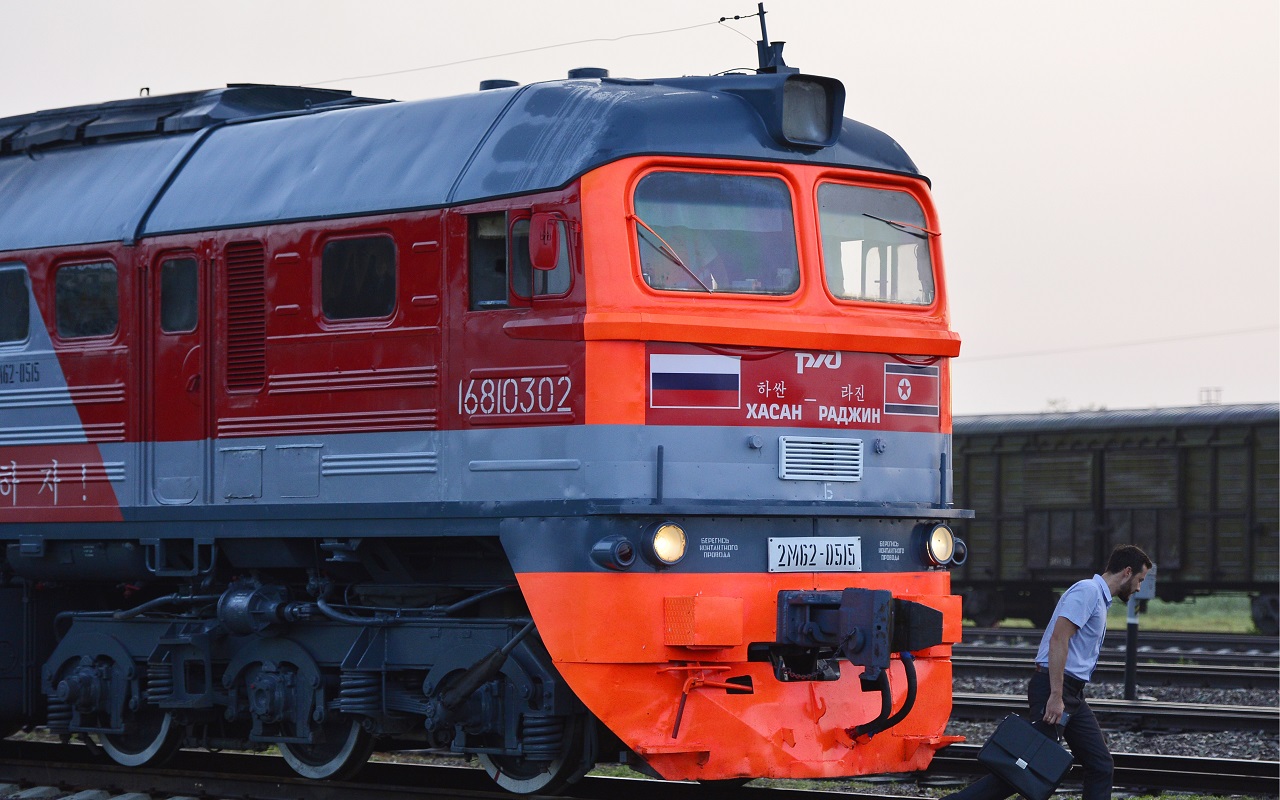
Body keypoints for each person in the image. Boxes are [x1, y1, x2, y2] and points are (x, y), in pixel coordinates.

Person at [944, 544, 1152, 800]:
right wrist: (1055, 695)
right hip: (1056, 688)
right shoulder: (1087, 591)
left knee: (1100, 764)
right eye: (1140, 579)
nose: (1139, 587)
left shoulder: (1098, 597)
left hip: (1072, 693)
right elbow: (1058, 639)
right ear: (1127, 572)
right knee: (1026, 769)